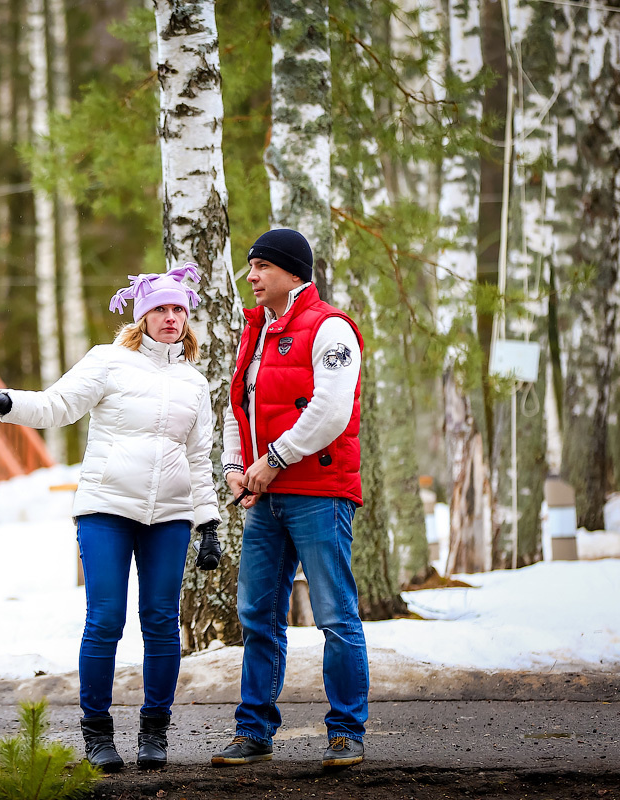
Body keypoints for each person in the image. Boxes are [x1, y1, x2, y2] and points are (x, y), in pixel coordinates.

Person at [0, 265, 222, 773]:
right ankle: (97, 733)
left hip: (169, 516)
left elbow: (200, 459)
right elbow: (58, 405)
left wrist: (208, 524)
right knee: (105, 620)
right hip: (106, 509)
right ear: (141, 316)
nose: (170, 318)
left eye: (177, 310)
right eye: (159, 309)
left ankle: (155, 731)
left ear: (186, 320)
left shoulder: (194, 382)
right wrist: (9, 402)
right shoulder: (109, 362)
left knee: (162, 623)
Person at [210, 228, 369, 770]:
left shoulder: (331, 328)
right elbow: (240, 409)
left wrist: (271, 460)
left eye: (261, 267)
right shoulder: (253, 333)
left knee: (335, 615)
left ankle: (346, 732)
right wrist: (236, 467)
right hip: (265, 495)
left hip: (319, 492)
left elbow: (330, 411)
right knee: (258, 615)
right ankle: (253, 731)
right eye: (250, 267)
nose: (250, 277)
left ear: (292, 272)